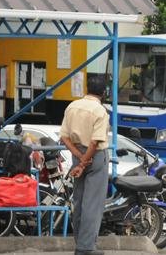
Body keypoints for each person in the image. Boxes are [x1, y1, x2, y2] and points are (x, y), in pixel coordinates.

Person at [60, 76, 109, 255]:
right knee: (92, 204)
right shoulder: (100, 111)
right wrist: (85, 160)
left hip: (78, 155)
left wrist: (79, 158)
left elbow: (64, 137)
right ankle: (86, 247)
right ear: (104, 93)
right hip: (94, 158)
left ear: (86, 89)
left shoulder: (72, 106)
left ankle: (80, 242)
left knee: (79, 201)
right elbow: (95, 142)